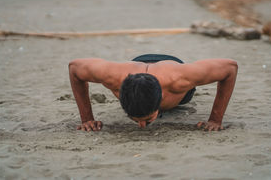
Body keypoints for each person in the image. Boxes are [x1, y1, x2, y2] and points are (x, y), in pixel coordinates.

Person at [68, 54, 238, 132]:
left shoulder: (181, 80)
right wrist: (87, 119)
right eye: (134, 120)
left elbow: (230, 67)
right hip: (137, 63)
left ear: (161, 100)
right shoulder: (112, 77)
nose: (142, 126)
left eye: (148, 119)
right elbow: (74, 67)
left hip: (171, 66)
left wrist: (215, 119)